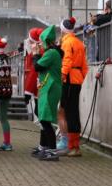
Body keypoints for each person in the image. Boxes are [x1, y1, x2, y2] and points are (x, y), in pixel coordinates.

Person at [32, 25, 63, 161]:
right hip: (48, 87)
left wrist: (35, 54)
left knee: (45, 120)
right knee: (43, 117)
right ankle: (44, 147)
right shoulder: (52, 52)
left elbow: (37, 66)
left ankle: (52, 151)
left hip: (51, 88)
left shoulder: (51, 53)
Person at [58, 17, 87, 157]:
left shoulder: (66, 43)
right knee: (73, 112)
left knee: (68, 113)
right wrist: (80, 77)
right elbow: (85, 66)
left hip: (68, 80)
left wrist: (62, 76)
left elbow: (67, 61)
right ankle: (74, 145)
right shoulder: (79, 43)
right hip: (77, 80)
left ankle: (72, 146)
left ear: (63, 30)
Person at [23, 27, 44, 125]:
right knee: (37, 106)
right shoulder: (38, 49)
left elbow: (34, 71)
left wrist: (27, 91)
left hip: (38, 81)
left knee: (38, 107)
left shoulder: (38, 52)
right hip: (37, 81)